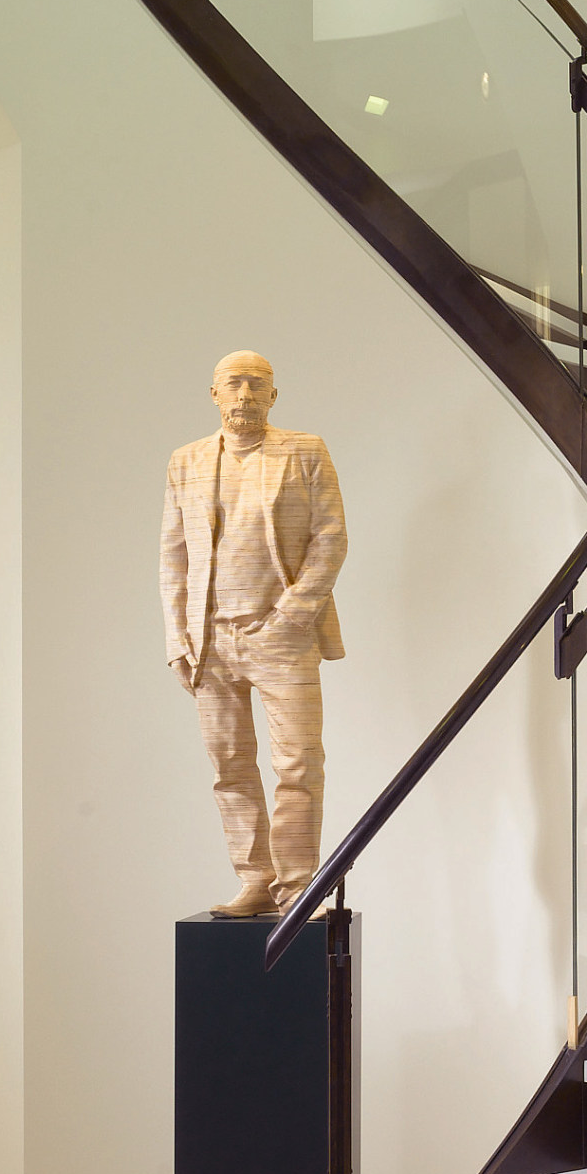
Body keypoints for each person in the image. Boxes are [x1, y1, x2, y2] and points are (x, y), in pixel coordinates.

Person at [160, 350, 348, 919]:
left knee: (298, 763)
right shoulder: (187, 461)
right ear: (214, 394)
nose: (244, 395)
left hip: (282, 637)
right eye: (233, 385)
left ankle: (297, 887)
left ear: (274, 396)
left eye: (256, 385)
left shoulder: (305, 451)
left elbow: (331, 539)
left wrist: (292, 616)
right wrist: (177, 640)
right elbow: (173, 556)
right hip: (210, 641)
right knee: (229, 765)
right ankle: (255, 879)